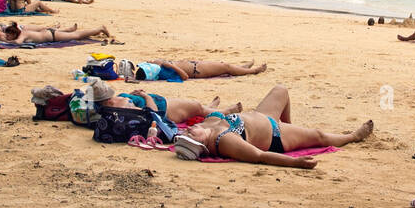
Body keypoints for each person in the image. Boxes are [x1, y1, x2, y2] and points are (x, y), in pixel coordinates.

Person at [172, 84, 374, 167]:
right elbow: (259, 157)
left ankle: (293, 128)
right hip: (276, 135)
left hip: (262, 115)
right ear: (201, 145)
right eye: (190, 135)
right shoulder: (223, 141)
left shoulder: (208, 125)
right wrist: (296, 163)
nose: (188, 130)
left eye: (187, 132)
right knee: (319, 135)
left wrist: (214, 107)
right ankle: (353, 136)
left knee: (281, 90)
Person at [89, 79, 240, 123]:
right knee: (197, 107)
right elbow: (152, 114)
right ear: (107, 100)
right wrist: (146, 96)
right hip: (165, 109)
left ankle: (209, 108)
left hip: (163, 102)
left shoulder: (114, 103)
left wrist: (135, 94)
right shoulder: (122, 106)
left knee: (197, 107)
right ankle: (224, 112)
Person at [118, 58, 267, 81]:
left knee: (225, 67)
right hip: (197, 70)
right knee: (225, 67)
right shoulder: (162, 73)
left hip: (196, 64)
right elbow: (184, 77)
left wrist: (155, 61)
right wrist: (169, 65)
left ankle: (242, 68)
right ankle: (253, 71)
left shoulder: (147, 70)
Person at [0, 21, 115, 44]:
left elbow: (17, 43)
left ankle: (100, 29)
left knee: (76, 35)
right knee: (78, 35)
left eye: (9, 34)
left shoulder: (22, 35)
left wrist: (5, 41)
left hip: (52, 35)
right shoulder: (22, 32)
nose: (7, 36)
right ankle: (97, 32)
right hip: (49, 34)